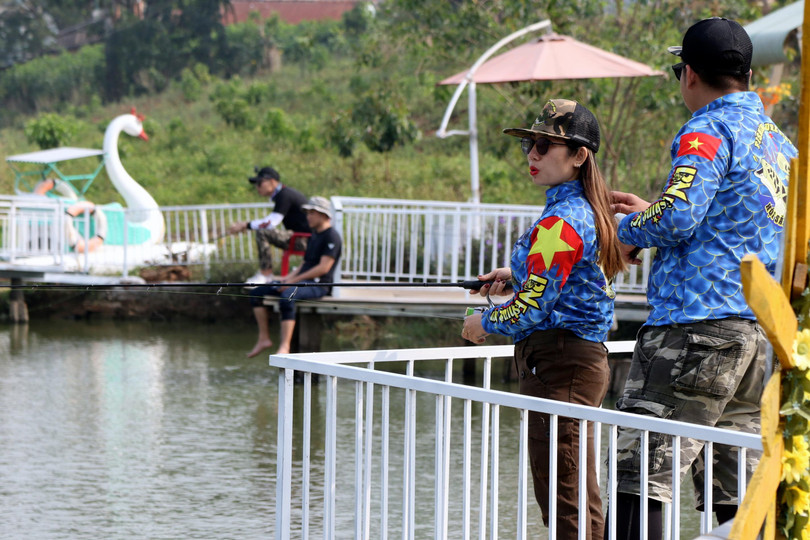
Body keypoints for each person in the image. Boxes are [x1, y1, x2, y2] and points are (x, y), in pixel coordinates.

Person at [608, 17, 798, 539]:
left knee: (644, 469)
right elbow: (732, 225)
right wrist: (655, 213)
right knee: (733, 485)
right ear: (748, 73)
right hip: (757, 335)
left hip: (696, 331)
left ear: (689, 73)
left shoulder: (706, 130)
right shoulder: (778, 143)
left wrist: (626, 228)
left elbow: (677, 217)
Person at [462, 99, 626, 540]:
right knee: (575, 490)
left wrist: (486, 322)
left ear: (579, 155)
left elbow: (531, 309)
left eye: (544, 145)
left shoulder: (560, 220)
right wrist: (516, 275)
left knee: (563, 496)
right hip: (573, 361)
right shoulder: (582, 210)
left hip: (561, 363)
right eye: (529, 146)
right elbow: (567, 280)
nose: (532, 154)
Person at [246, 196, 341, 358]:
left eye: (312, 213)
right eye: (307, 213)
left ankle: (285, 346)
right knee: (256, 292)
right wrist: (285, 279)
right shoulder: (315, 235)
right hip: (301, 281)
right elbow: (305, 264)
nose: (307, 216)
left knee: (287, 295)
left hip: (318, 285)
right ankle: (264, 339)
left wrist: (291, 282)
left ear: (323, 215)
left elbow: (323, 268)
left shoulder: (331, 236)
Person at [228, 166, 310, 284]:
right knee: (263, 231)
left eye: (259, 183)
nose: (257, 187)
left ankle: (265, 273)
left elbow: (270, 223)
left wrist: (245, 225)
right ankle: (265, 273)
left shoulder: (285, 195)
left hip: (305, 240)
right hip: (301, 238)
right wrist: (246, 225)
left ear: (272, 182)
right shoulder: (284, 194)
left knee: (263, 232)